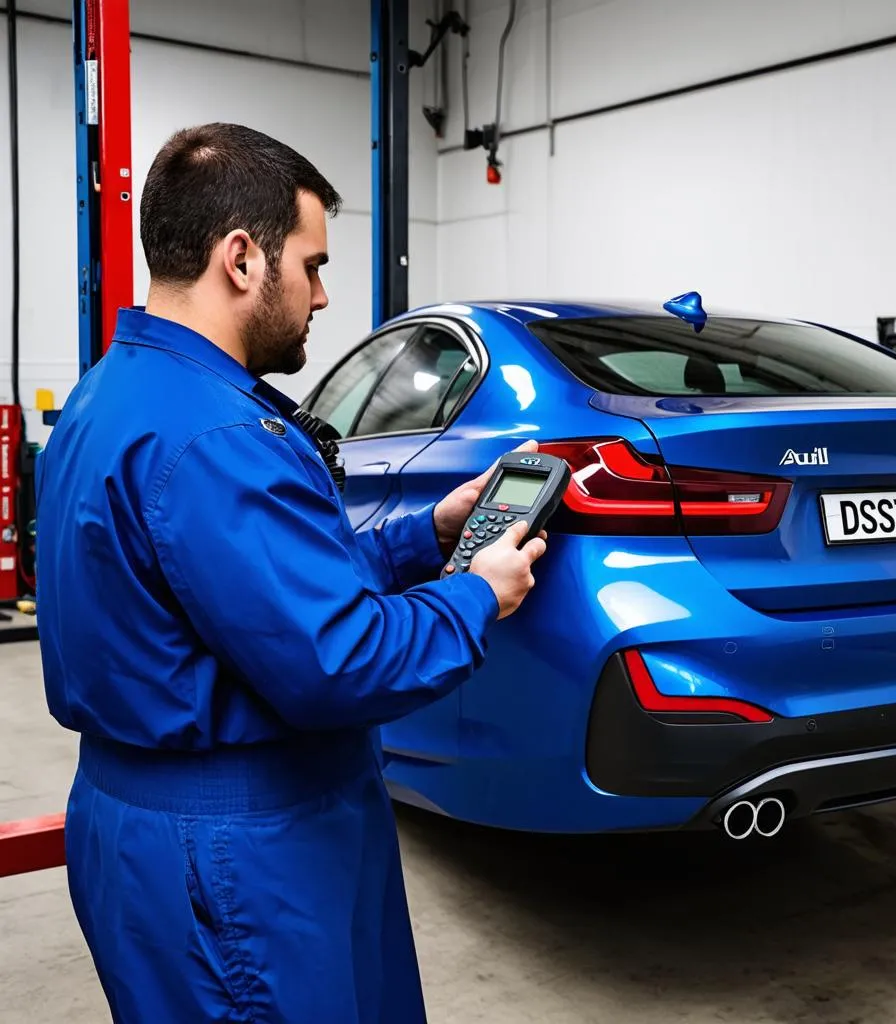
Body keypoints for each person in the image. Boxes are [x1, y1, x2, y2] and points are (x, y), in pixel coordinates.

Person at [34, 122, 548, 1023]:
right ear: (241, 258)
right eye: (311, 265)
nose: (321, 294)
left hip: (141, 825)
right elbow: (337, 659)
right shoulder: (221, 440)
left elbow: (234, 596)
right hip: (237, 851)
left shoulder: (108, 397)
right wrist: (477, 593)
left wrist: (428, 534)